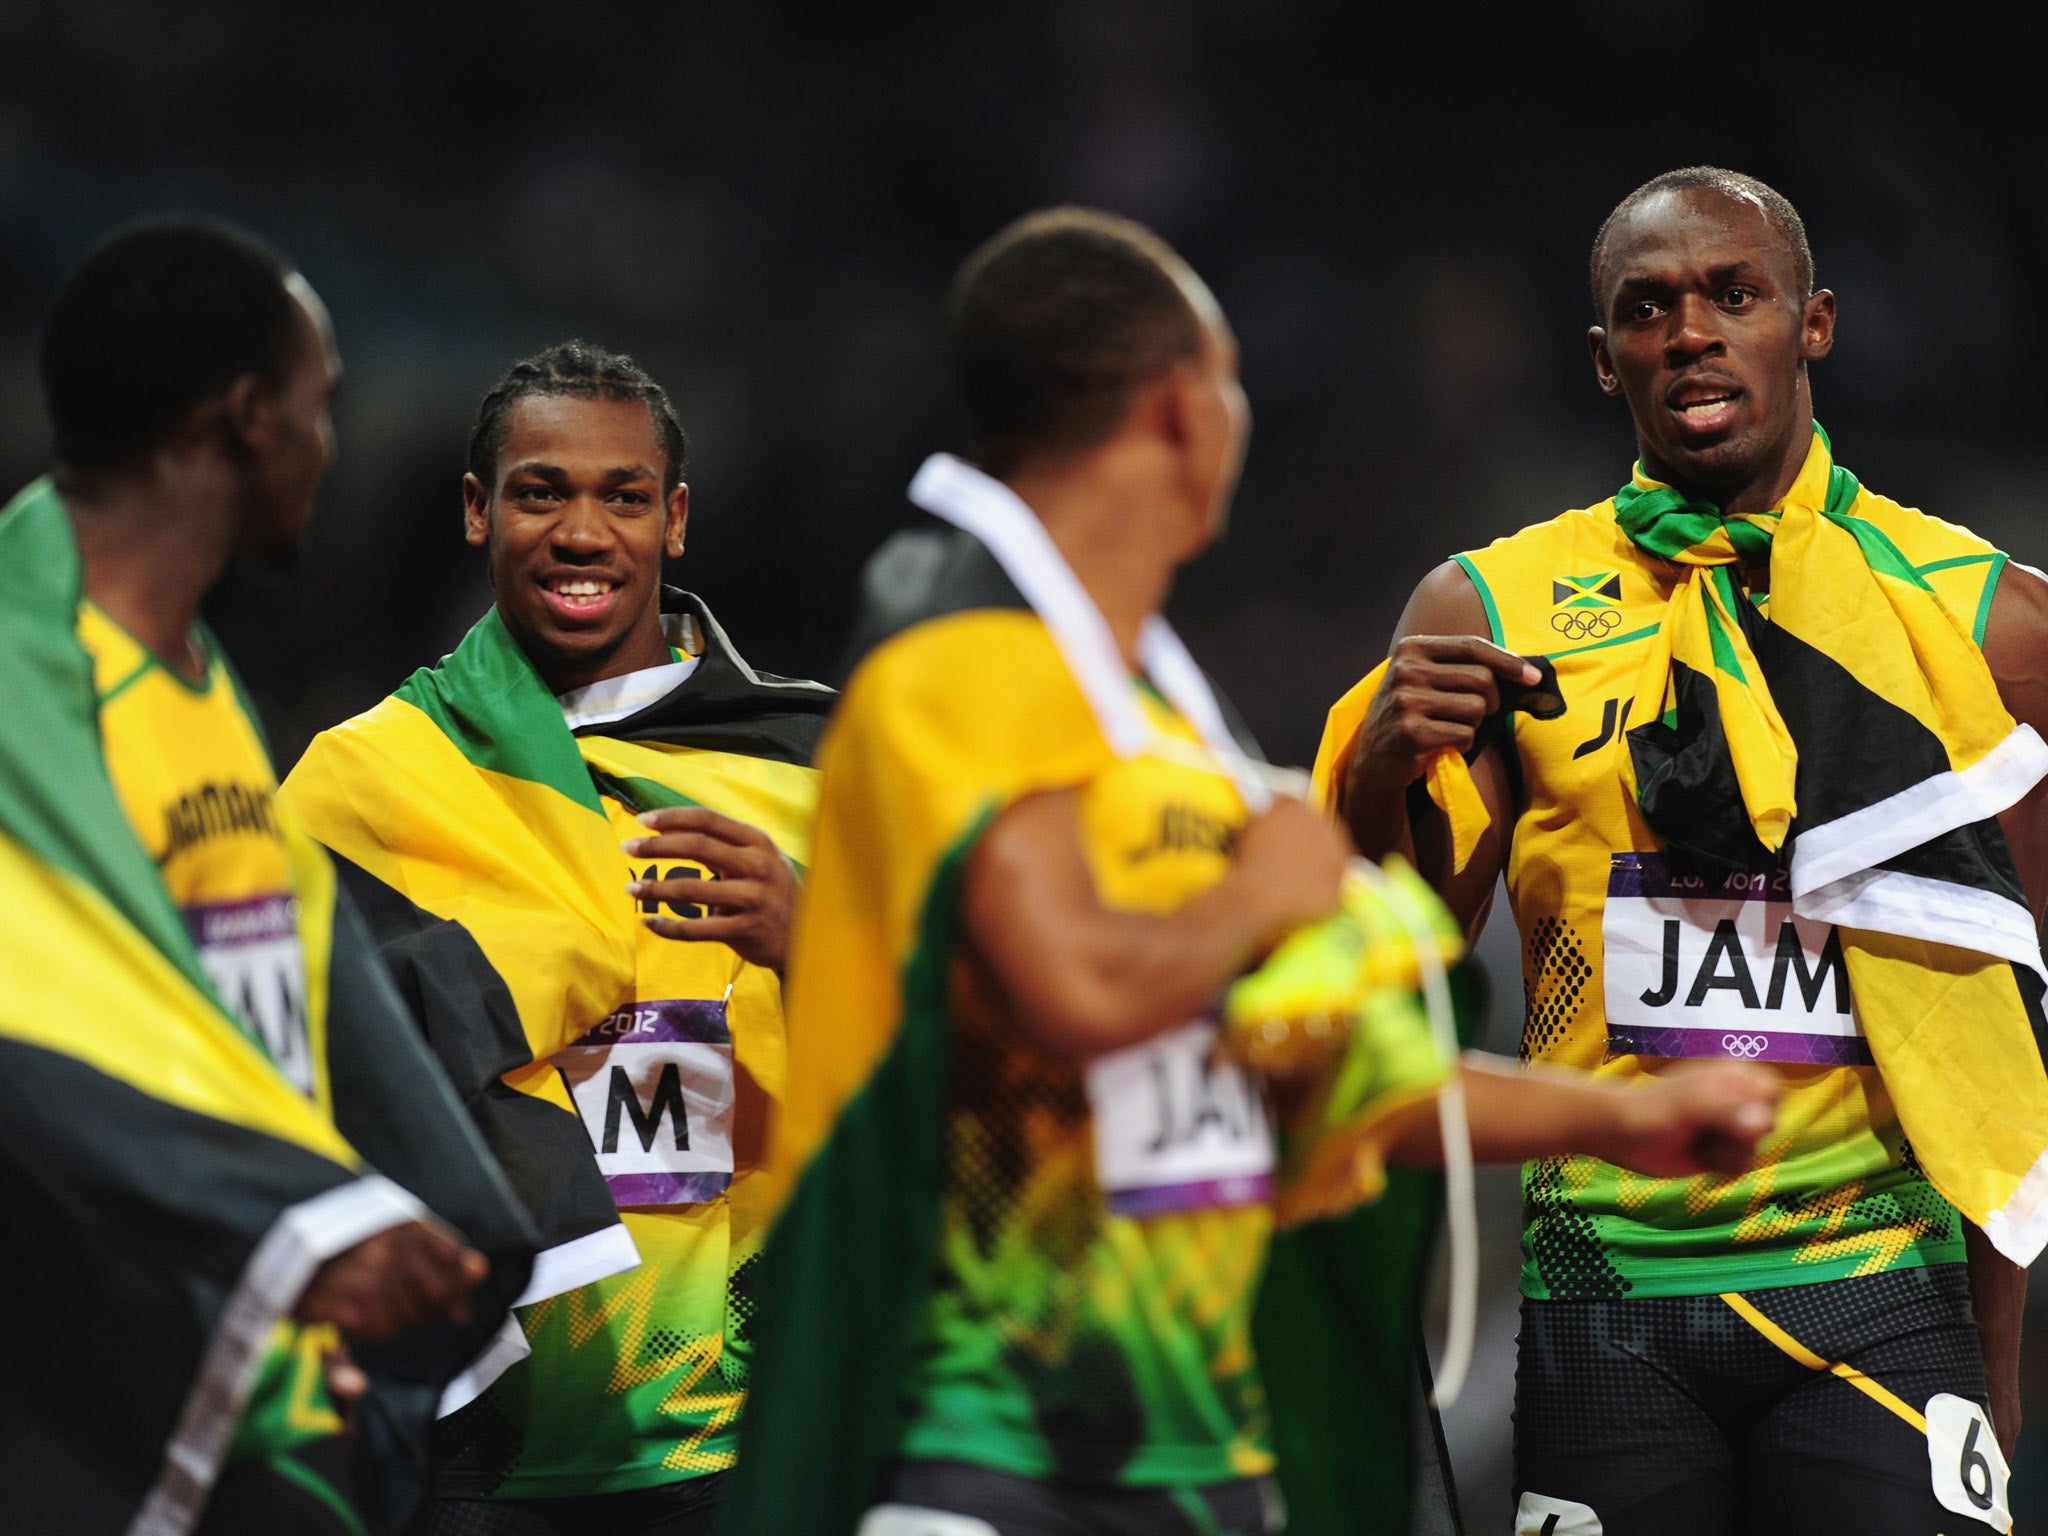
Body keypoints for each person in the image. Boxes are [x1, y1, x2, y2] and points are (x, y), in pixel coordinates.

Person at [725, 206, 1780, 1536]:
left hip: (1203, 1470)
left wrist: (1624, 1122)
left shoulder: (1169, 734)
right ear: (1178, 413)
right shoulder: (959, 661)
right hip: (988, 1456)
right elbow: (1085, 992)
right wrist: (1268, 896)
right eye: (1228, 384)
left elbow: (1330, 1081)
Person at [1322, 166, 2048, 1536]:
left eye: (1734, 294)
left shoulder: (1987, 624)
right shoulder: (1488, 608)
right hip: (1604, 1305)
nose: (1693, 332)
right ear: (1607, 363)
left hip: (1882, 1296)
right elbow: (1386, 980)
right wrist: (1370, 783)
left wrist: (1996, 1370)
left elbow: (2012, 1031)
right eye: (1649, 309)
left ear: (1813, 325)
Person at [0, 219, 537, 1536]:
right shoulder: (31, 697)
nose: (330, 447)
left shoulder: (206, 691)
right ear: (245, 419)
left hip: (278, 1381)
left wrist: (412, 1223)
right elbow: (51, 1034)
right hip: (102, 1418)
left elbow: (289, 1028)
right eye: (320, 406)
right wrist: (303, 1230)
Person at [281, 341, 835, 1535]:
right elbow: (280, 1081)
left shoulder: (815, 768)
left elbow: (974, 1066)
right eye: (541, 492)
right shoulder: (364, 784)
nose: (582, 532)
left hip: (767, 1429)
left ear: (673, 518)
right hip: (479, 1449)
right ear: (480, 511)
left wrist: (817, 939)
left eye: (622, 496)